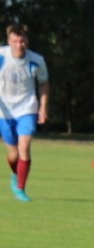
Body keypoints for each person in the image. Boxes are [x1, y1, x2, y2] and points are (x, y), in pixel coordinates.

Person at [0, 24, 49, 202]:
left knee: (24, 147)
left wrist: (43, 107)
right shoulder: (1, 56)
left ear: (27, 40)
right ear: (9, 41)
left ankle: (21, 189)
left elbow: (43, 83)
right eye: (15, 41)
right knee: (13, 156)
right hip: (4, 112)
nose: (19, 45)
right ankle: (15, 174)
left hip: (27, 109)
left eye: (22, 41)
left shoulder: (37, 60)